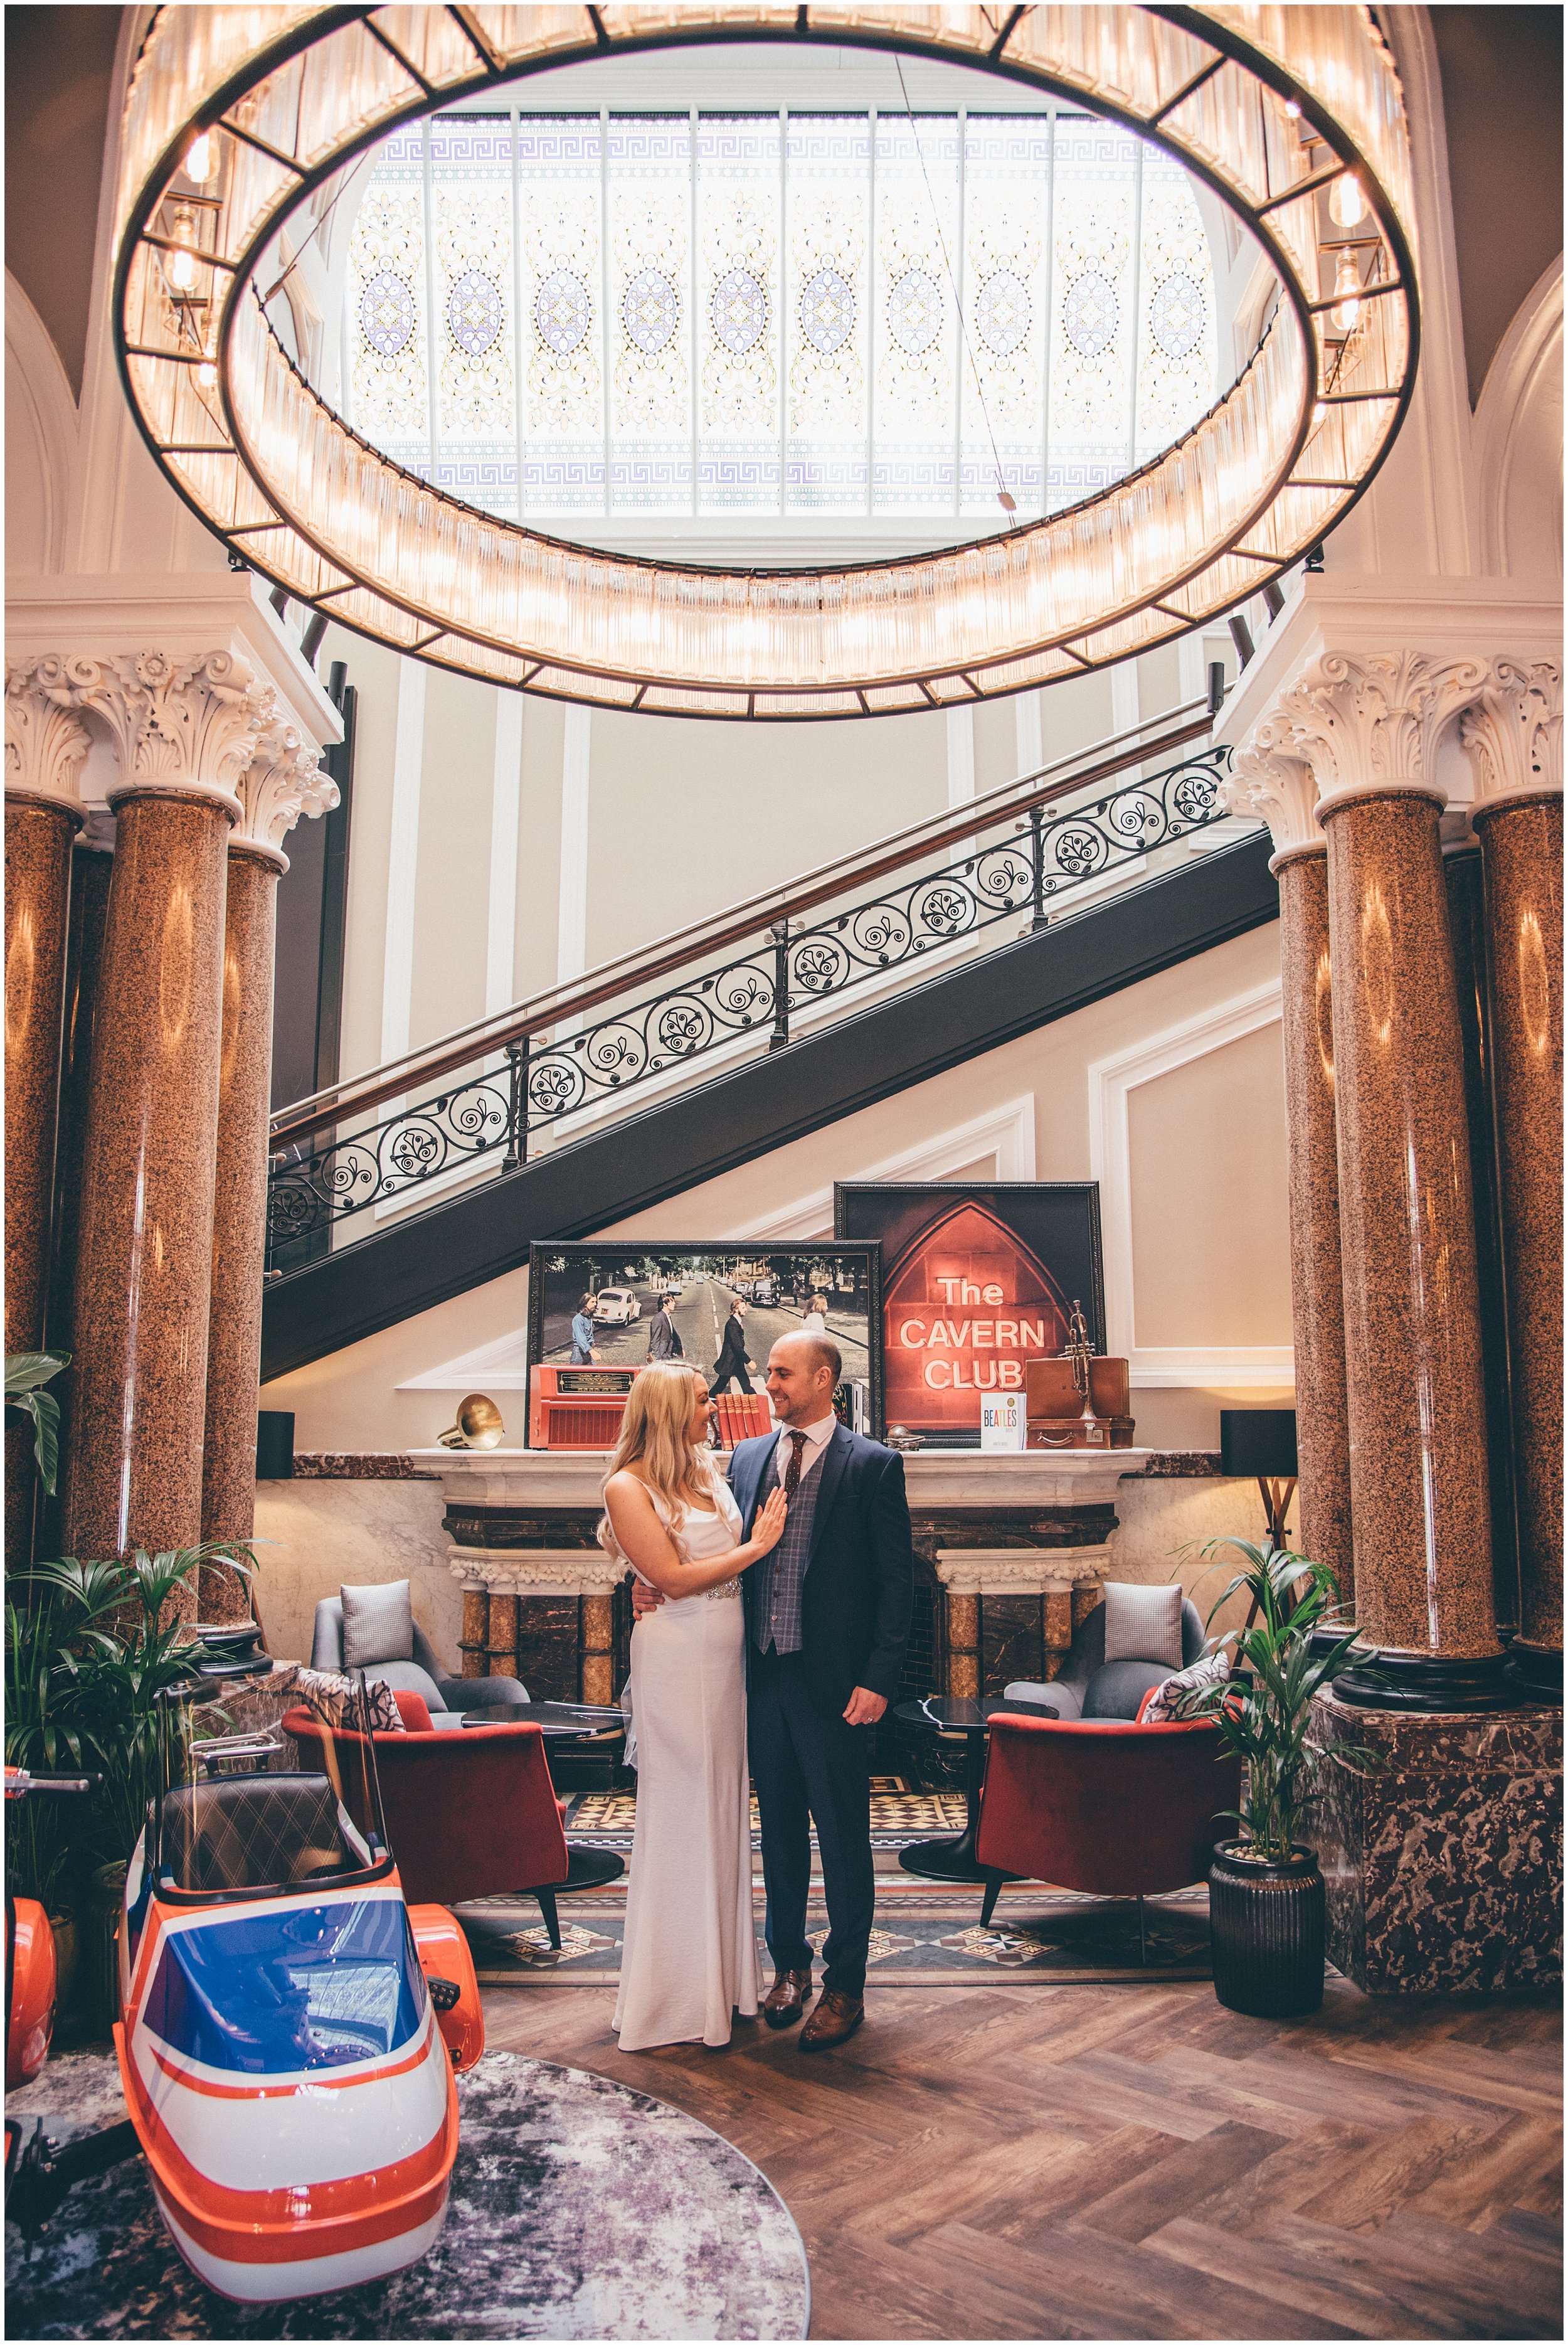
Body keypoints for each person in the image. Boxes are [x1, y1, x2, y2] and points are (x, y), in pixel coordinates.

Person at [635, 1331, 913, 2051]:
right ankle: (789, 1965)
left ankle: (845, 1984)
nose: (768, 1384)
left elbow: (896, 1587)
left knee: (844, 1836)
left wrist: (879, 1681)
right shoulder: (746, 1457)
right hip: (757, 1679)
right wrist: (649, 1585)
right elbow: (706, 1554)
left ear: (823, 1380)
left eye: (782, 1374)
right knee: (779, 1831)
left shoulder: (875, 1466)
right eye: (770, 1373)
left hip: (837, 1687)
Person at [600, 1364, 790, 2051]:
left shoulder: (711, 1470)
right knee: (682, 1808)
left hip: (726, 1656)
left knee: (721, 1808)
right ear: (671, 1409)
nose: (714, 1407)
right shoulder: (627, 1485)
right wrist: (755, 1547)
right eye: (704, 1399)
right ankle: (674, 1998)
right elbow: (672, 1580)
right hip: (677, 1657)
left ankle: (725, 1982)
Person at [711, 1297, 755, 1394]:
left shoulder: (736, 1322)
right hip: (730, 1361)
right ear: (736, 1309)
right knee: (720, 1386)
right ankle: (705, 1402)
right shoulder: (732, 1324)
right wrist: (749, 1361)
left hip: (736, 1362)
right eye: (743, 1308)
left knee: (746, 1385)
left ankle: (756, 1404)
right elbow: (737, 1347)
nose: (746, 1310)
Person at [647, 1294, 683, 1361]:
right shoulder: (658, 1318)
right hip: (662, 1356)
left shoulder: (667, 1316)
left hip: (669, 1354)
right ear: (665, 1304)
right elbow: (655, 1341)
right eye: (672, 1302)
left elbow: (673, 1336)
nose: (674, 1303)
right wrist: (657, 1359)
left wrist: (680, 1350)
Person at [569, 1294, 598, 1365]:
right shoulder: (578, 1319)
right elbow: (580, 1339)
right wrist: (592, 1351)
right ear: (585, 1303)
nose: (595, 1304)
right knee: (576, 1376)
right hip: (579, 1354)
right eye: (592, 1302)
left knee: (594, 1374)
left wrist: (592, 1343)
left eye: (596, 1302)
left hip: (588, 1351)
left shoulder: (588, 1318)